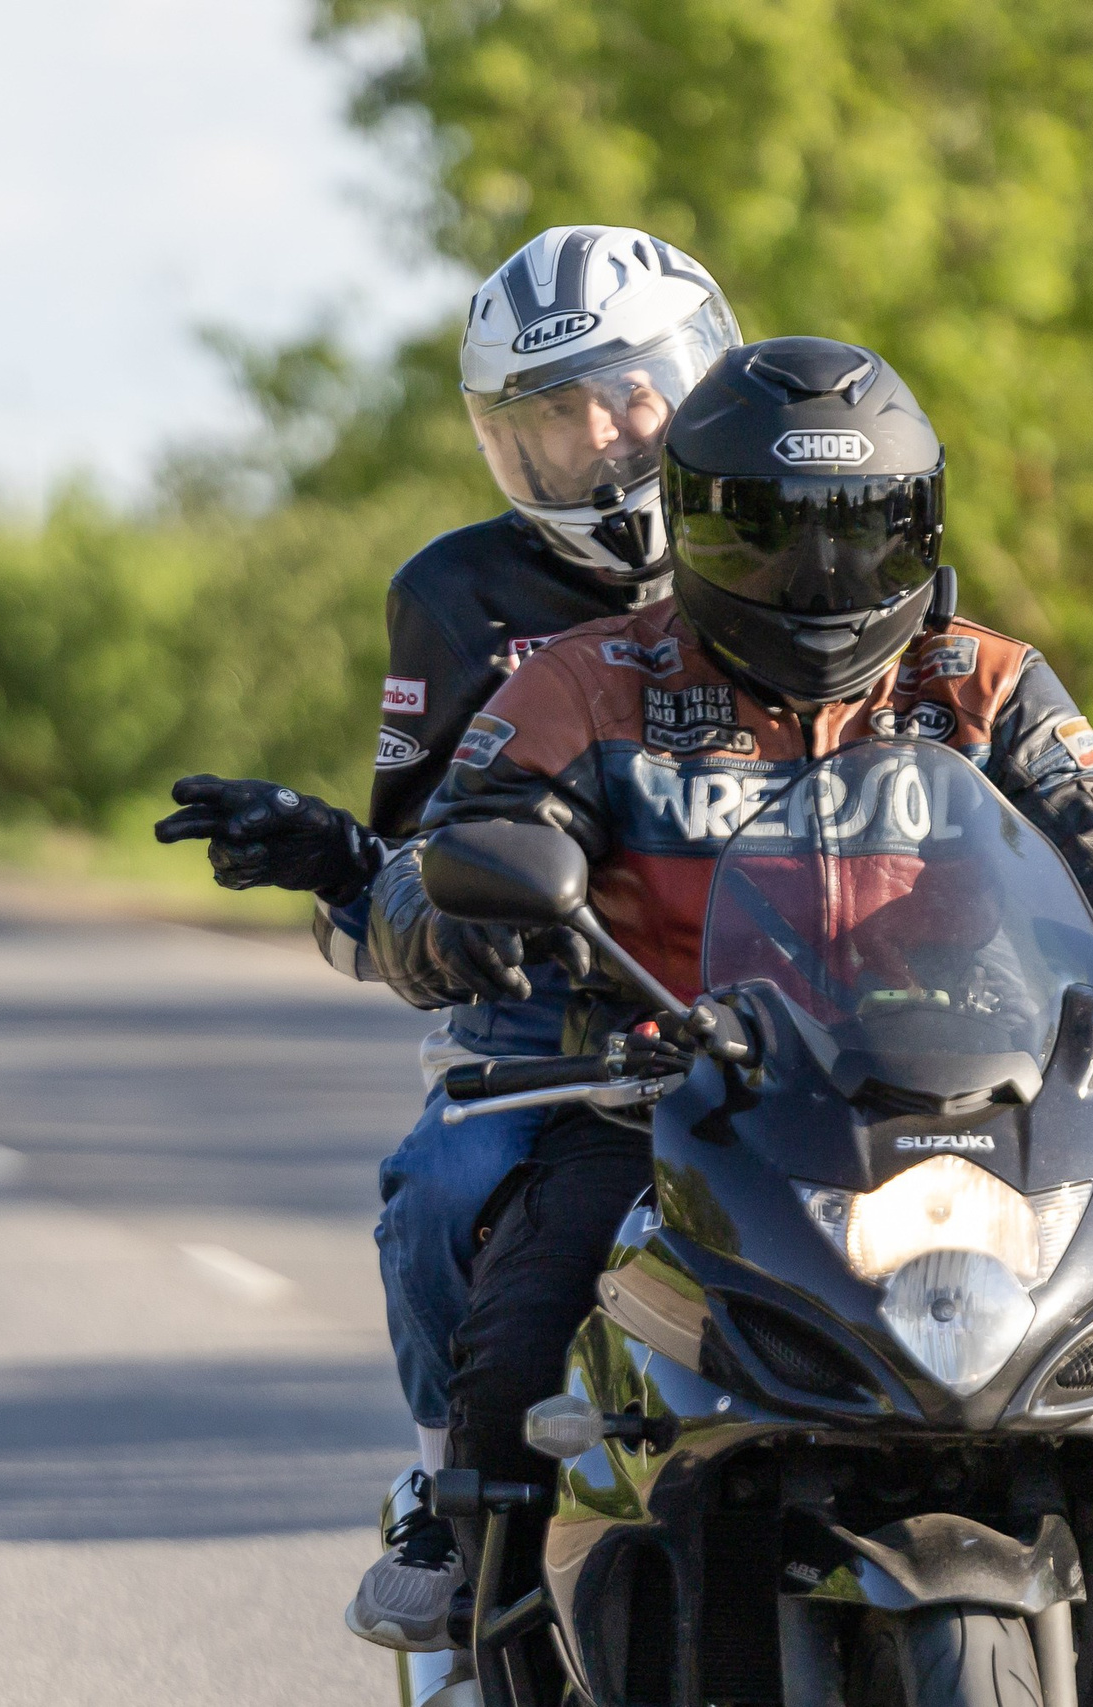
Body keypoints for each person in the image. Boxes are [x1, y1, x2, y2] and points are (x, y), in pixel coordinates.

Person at [366, 334, 1093, 1600]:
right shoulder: (590, 679)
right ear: (684, 527)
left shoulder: (987, 678)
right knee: (518, 1350)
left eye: (863, 531)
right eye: (766, 537)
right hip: (668, 1095)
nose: (821, 574)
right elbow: (442, 852)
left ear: (928, 521)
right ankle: (489, 1620)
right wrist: (454, 915)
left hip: (973, 1097)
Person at [150, 227, 742, 1651]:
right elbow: (408, 880)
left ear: (702, 377)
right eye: (547, 420)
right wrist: (346, 864)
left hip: (819, 1004)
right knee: (443, 1177)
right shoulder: (457, 592)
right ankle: (443, 1478)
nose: (597, 445)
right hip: (561, 1030)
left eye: (625, 397)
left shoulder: (794, 541)